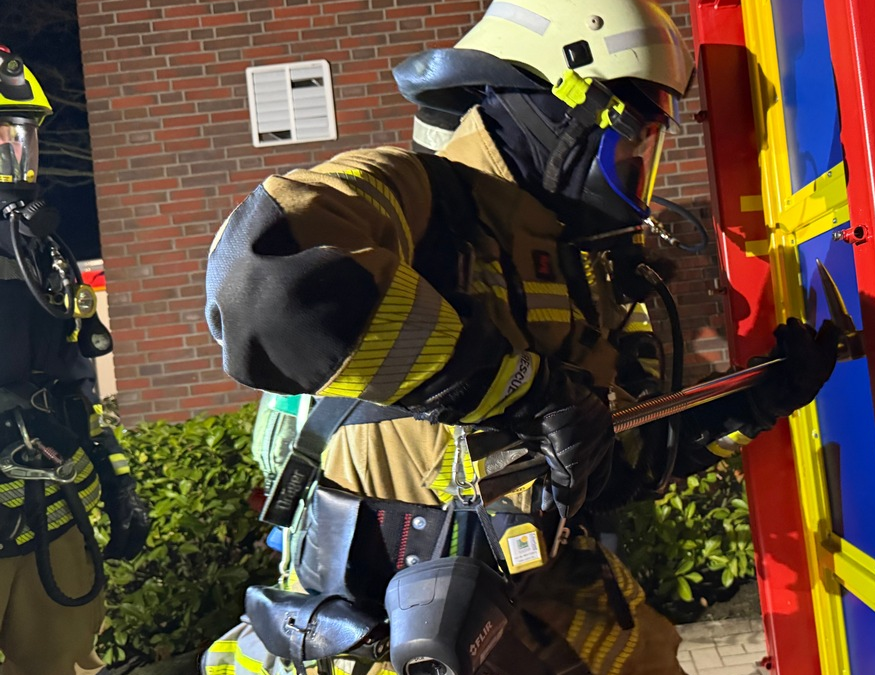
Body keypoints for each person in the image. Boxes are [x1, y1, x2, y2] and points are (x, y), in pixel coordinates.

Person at [201, 1, 840, 673]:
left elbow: (618, 459)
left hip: (538, 617)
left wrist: (752, 401)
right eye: (628, 140)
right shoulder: (414, 194)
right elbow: (264, 284)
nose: (636, 170)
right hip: (388, 633)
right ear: (559, 109)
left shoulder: (579, 269)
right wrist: (515, 391)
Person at [0, 47, 150, 674]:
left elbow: (75, 393)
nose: (14, 158)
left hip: (49, 526)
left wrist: (117, 480)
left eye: (17, 139)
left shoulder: (40, 257)